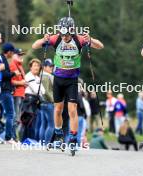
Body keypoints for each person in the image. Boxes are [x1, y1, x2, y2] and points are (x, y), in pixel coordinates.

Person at [32, 16, 103, 153]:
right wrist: (43, 39)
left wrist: (91, 39)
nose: (64, 37)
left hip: (72, 80)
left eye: (66, 35)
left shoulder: (79, 39)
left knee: (72, 110)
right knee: (58, 109)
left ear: (72, 31)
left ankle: (72, 138)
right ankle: (58, 135)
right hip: (58, 79)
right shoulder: (55, 38)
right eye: (62, 34)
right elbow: (35, 46)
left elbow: (100, 46)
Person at [0, 43, 20, 144]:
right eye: (12, 51)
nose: (13, 53)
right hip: (4, 90)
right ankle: (8, 137)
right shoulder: (2, 60)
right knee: (10, 114)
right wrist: (13, 73)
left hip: (5, 90)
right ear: (9, 52)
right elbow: (2, 75)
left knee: (7, 114)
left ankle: (5, 136)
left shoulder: (3, 58)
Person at [21, 58, 45, 141]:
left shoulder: (37, 78)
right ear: (30, 67)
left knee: (34, 122)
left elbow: (43, 91)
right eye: (34, 65)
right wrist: (39, 91)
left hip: (35, 101)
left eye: (38, 66)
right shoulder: (29, 76)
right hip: (29, 100)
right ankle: (25, 140)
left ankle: (30, 139)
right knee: (28, 121)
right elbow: (36, 90)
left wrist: (39, 91)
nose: (36, 67)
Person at [10, 49, 27, 141]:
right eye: (19, 55)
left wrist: (24, 83)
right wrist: (21, 82)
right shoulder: (13, 65)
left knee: (17, 117)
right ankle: (13, 136)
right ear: (14, 55)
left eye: (22, 55)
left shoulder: (19, 65)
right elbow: (10, 81)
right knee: (15, 116)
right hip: (16, 93)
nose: (21, 56)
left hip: (21, 93)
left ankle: (14, 136)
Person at [39, 59, 55, 145]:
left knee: (44, 124)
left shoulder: (43, 75)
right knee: (51, 124)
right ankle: (46, 143)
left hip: (43, 103)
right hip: (48, 102)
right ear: (44, 67)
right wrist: (54, 100)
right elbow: (46, 92)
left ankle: (42, 143)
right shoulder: (45, 76)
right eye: (50, 66)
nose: (51, 68)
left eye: (52, 66)